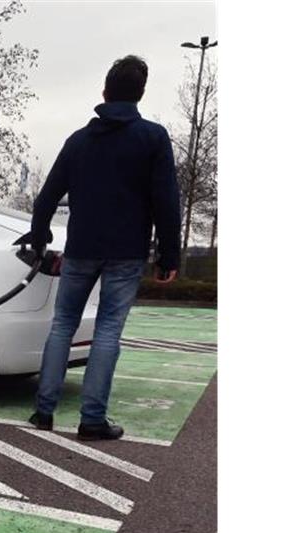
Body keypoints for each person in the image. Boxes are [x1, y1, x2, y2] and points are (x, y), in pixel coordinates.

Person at [28, 55, 181, 441]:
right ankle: (92, 419)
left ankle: (43, 412)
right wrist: (169, 256)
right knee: (108, 330)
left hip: (80, 247)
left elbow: (46, 197)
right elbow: (166, 201)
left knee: (62, 324)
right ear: (140, 94)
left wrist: (39, 235)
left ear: (104, 92)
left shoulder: (78, 141)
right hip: (127, 251)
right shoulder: (153, 138)